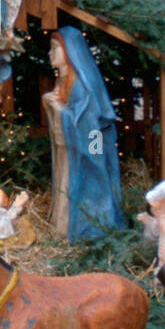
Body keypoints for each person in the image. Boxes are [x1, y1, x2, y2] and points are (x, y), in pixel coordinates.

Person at [43, 27, 126, 242]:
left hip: (89, 145)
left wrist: (60, 110)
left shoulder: (81, 85)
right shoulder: (62, 81)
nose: (50, 54)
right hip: (69, 147)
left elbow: (90, 126)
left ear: (70, 51)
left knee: (90, 178)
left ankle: (90, 227)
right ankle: (62, 227)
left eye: (55, 49)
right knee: (65, 181)